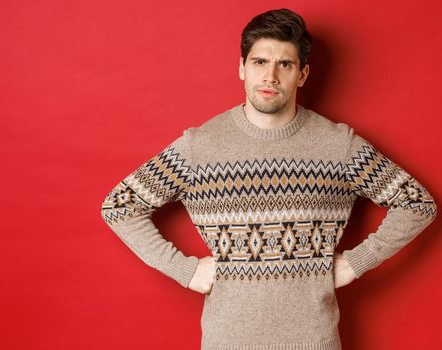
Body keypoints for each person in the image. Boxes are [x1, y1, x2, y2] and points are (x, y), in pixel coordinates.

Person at [100, 8, 436, 350]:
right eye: (260, 62)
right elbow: (120, 206)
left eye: (285, 65)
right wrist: (183, 270)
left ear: (302, 74)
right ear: (241, 68)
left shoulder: (338, 145)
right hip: (228, 341)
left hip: (314, 341)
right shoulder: (199, 147)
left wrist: (357, 262)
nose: (270, 76)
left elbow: (417, 204)